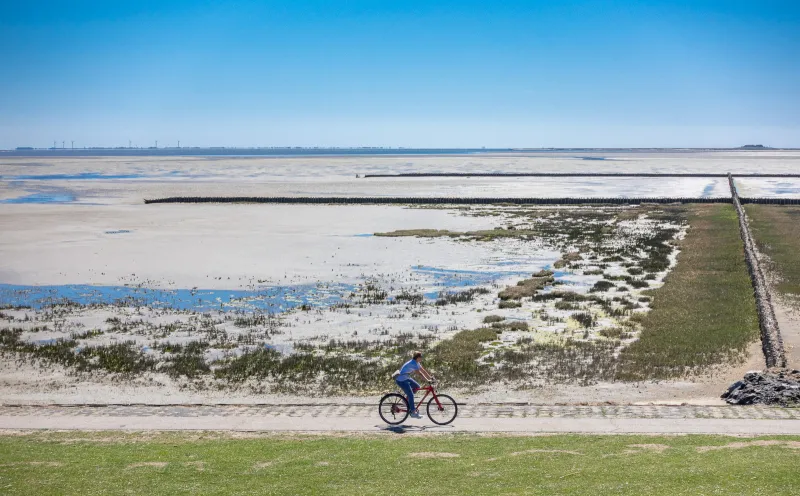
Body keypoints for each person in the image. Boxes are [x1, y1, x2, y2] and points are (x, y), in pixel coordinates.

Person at [394, 350, 433, 418]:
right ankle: (413, 412)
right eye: (421, 357)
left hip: (405, 378)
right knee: (411, 394)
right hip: (401, 380)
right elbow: (420, 373)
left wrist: (431, 378)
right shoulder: (413, 363)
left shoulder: (417, 363)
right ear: (417, 357)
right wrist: (427, 381)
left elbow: (423, 371)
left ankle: (406, 400)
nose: (422, 358)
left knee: (416, 386)